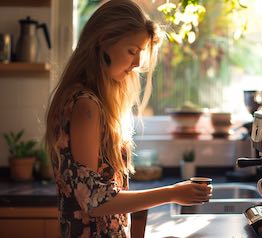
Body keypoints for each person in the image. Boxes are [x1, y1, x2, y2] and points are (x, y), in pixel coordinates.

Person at [45, 0, 212, 237]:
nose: (136, 64)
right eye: (131, 51)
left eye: (139, 54)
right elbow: (95, 200)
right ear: (103, 41)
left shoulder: (93, 102)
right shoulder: (86, 106)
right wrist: (172, 193)